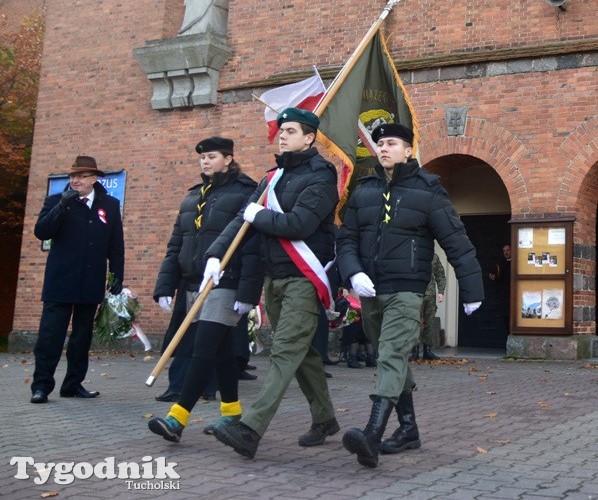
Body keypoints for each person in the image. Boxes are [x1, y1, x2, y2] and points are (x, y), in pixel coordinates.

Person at [336, 122, 484, 468]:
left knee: (389, 354)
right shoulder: (363, 191)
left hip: (407, 289)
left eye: (391, 143)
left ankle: (373, 434)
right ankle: (408, 429)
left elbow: (456, 242)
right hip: (370, 289)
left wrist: (471, 289)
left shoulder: (428, 191)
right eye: (380, 144)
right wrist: (352, 272)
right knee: (393, 358)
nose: (384, 148)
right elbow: (346, 239)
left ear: (408, 150)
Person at [210, 108, 341, 458]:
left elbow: (299, 225)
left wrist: (260, 215)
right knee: (302, 353)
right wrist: (215, 253)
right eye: (281, 130)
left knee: (284, 352)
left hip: (303, 278)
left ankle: (250, 429)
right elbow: (242, 221)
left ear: (309, 137)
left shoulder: (322, 177)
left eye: (291, 131)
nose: (282, 135)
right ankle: (325, 419)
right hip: (276, 277)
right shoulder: (273, 177)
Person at [148, 137, 262, 442]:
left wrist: (248, 293)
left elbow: (252, 246)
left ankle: (177, 419)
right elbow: (177, 245)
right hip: (193, 282)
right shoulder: (192, 197)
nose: (205, 162)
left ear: (228, 159)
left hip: (225, 282)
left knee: (202, 348)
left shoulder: (245, 193)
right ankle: (232, 414)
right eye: (202, 158)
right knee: (223, 353)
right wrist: (165, 286)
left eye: (211, 156)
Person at [30, 156, 124, 403]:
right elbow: (42, 231)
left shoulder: (110, 205)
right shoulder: (57, 201)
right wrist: (61, 206)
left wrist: (117, 274)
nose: (75, 180)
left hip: (90, 281)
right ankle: (41, 386)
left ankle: (73, 385)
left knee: (81, 339)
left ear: (94, 179)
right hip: (60, 282)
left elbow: (116, 244)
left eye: (81, 176)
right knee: (50, 338)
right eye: (73, 176)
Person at [412, 254, 446, 361]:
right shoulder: (413, 255)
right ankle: (415, 350)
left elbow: (440, 274)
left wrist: (441, 291)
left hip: (430, 295)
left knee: (429, 322)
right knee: (415, 321)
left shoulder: (434, 257)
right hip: (416, 293)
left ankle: (427, 350)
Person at [490, 243, 512, 333]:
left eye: (507, 250)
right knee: (505, 317)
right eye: (504, 251)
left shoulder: (516, 262)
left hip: (513, 294)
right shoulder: (500, 263)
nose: (506, 253)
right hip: (503, 295)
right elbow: (494, 273)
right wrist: (493, 276)